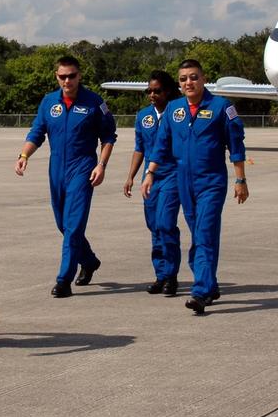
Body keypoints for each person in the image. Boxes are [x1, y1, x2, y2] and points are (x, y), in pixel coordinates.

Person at [142, 60, 248, 314]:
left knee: (203, 234)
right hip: (183, 181)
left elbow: (236, 144)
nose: (188, 83)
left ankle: (200, 291)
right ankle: (209, 284)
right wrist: (150, 173)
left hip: (211, 181)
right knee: (200, 234)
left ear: (203, 79)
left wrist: (240, 179)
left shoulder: (222, 107)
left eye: (193, 77)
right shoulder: (174, 109)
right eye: (183, 79)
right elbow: (161, 144)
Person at [15, 55, 117, 297]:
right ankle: (89, 261)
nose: (67, 80)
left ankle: (63, 280)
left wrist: (101, 164)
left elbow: (109, 137)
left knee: (73, 226)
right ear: (56, 77)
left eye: (72, 75)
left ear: (79, 75)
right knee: (63, 224)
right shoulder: (49, 102)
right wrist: (24, 155)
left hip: (82, 168)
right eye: (62, 76)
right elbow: (37, 132)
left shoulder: (95, 103)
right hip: (56, 169)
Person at [122, 70, 182, 295]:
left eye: (157, 91)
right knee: (154, 226)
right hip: (150, 179)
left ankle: (172, 276)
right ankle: (161, 275)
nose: (152, 95)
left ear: (167, 91)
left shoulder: (178, 113)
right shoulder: (143, 116)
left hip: (173, 175)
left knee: (166, 224)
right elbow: (140, 148)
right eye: (149, 91)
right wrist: (131, 176)